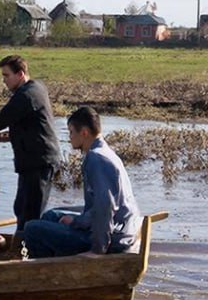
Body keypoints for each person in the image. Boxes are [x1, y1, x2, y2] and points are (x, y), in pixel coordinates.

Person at [23, 107, 141, 259]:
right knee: (51, 215)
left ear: (84, 132)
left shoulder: (97, 159)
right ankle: (57, 258)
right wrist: (77, 221)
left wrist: (98, 250)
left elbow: (105, 208)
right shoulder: (104, 152)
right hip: (121, 229)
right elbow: (100, 207)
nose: (69, 137)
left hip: (116, 239)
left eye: (71, 132)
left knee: (32, 229)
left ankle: (49, 270)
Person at [0, 54, 60, 235]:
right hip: (30, 163)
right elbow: (25, 128)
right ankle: (20, 245)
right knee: (20, 208)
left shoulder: (28, 94)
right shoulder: (32, 90)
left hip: (40, 163)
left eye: (6, 75)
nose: (4, 80)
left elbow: (4, 118)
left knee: (31, 214)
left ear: (20, 74)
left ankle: (27, 249)